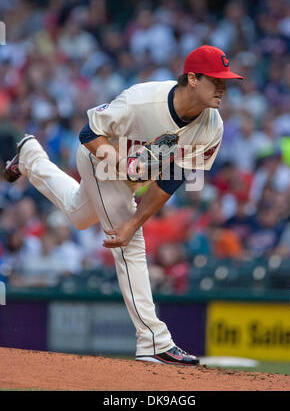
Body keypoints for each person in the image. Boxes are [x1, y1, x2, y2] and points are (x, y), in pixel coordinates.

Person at [3, 45, 243, 365]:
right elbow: (88, 132)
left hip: (136, 176)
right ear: (193, 79)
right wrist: (114, 160)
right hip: (98, 159)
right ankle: (153, 340)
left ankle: (30, 155)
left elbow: (170, 180)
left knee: (79, 215)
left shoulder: (212, 127)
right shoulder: (142, 100)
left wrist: (134, 220)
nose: (223, 89)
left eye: (226, 81)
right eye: (217, 80)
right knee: (130, 246)